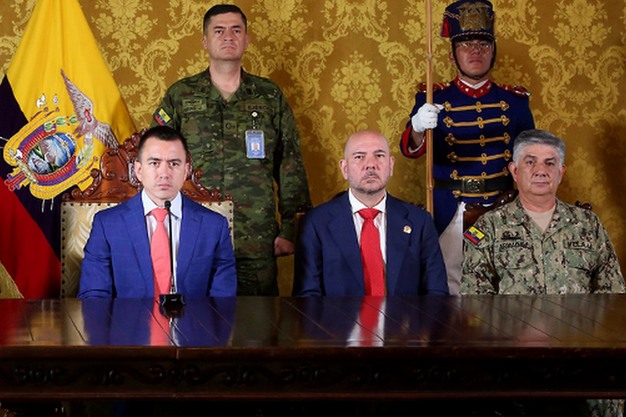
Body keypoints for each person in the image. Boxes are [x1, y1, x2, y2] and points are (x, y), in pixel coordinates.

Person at [461, 129, 624, 417]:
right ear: (514, 170)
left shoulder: (588, 224)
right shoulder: (488, 227)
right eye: (530, 162)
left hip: (581, 355)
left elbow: (613, 294)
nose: (540, 171)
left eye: (550, 163)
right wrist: (510, 335)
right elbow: (473, 297)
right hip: (513, 357)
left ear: (561, 172)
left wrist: (588, 338)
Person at [151, 4, 310, 296]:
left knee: (258, 321)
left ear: (246, 39)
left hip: (256, 239)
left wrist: (291, 228)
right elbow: (157, 161)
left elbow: (290, 164)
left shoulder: (269, 96)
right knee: (194, 319)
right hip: (193, 236)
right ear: (205, 41)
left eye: (236, 30)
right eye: (219, 31)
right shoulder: (181, 95)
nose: (228, 36)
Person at [399, 0, 535, 295]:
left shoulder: (515, 101)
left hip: (502, 206)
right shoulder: (432, 97)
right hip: (452, 208)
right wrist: (418, 127)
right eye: (466, 44)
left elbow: (530, 159)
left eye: (483, 45)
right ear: (452, 54)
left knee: (505, 284)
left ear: (493, 52)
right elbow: (411, 150)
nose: (476, 51)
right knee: (450, 288)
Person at [78, 125, 237, 298]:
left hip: (194, 316)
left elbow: (223, 299)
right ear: (138, 170)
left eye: (174, 164)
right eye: (154, 163)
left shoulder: (214, 226)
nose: (164, 173)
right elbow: (94, 296)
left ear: (186, 171)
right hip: (128, 316)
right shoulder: (107, 224)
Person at [293, 130, 448, 297]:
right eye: (359, 157)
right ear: (344, 168)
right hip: (338, 315)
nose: (370, 164)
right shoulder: (316, 223)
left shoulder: (419, 221)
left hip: (404, 315)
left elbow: (437, 293)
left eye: (379, 156)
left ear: (391, 165)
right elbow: (307, 298)